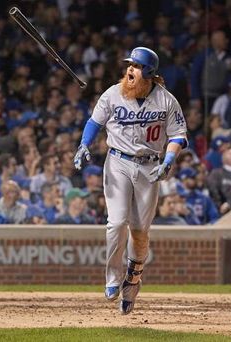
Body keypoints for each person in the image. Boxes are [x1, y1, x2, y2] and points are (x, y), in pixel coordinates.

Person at [73, 47, 187, 315]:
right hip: (118, 162)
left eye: (135, 66)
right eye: (129, 65)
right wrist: (83, 145)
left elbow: (178, 135)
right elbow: (94, 122)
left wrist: (168, 160)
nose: (129, 70)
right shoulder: (113, 93)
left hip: (150, 166)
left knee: (139, 231)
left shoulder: (166, 100)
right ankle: (112, 279)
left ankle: (133, 279)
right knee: (116, 221)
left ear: (148, 71)